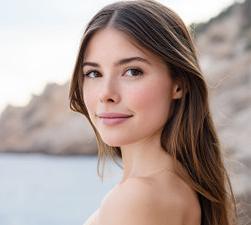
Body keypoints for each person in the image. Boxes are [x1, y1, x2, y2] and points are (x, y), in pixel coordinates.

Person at [69, 0, 237, 224]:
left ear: (178, 84)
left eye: (132, 71)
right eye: (93, 73)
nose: (106, 94)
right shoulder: (181, 186)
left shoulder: (135, 199)